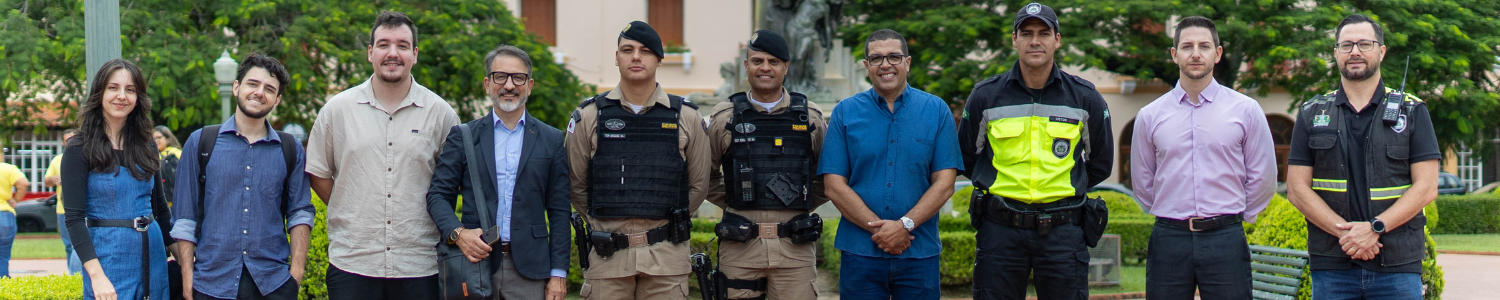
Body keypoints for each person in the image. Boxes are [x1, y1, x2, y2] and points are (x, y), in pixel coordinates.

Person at [957, 3, 1114, 299]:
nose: (1035, 41)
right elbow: (968, 158)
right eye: (1026, 33)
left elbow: (1100, 164)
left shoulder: (1085, 97)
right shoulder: (986, 95)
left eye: (1044, 33)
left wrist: (1062, 188)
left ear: (1057, 39)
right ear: (1014, 39)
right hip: (1000, 231)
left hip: (1063, 232)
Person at [304, 11, 460, 300]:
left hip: (420, 265)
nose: (393, 53)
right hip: (353, 262)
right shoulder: (337, 110)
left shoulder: (441, 114)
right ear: (370, 52)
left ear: (414, 54)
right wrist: (351, 205)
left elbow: (450, 184)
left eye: (402, 45)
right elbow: (318, 173)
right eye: (384, 44)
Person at [1285, 14, 1439, 300]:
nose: (1355, 51)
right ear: (1336, 54)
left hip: (1397, 265)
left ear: (1381, 51)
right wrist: (1348, 234)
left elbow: (1427, 187)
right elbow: (1296, 189)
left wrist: (1374, 229)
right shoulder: (1312, 112)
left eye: (1364, 44)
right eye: (1346, 45)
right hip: (1332, 265)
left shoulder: (1413, 111)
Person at [1130, 16, 1277, 300]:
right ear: (1175, 55)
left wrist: (1236, 216)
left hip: (1226, 239)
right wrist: (1171, 212)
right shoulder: (1150, 116)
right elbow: (1142, 180)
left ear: (1217, 53)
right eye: (1187, 46)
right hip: (1169, 240)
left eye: (1204, 46)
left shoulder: (1246, 110)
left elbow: (1264, 176)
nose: (1195, 53)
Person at [565, 20, 711, 300]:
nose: (635, 57)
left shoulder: (689, 118)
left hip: (667, 261)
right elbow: (576, 185)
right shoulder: (588, 116)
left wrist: (666, 225)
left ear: (658, 59)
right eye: (627, 50)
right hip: (608, 260)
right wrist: (605, 225)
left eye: (644, 51)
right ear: (616, 58)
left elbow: (699, 186)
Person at [819, 28, 962, 300]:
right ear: (866, 66)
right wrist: (883, 230)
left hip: (919, 254)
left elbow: (944, 184)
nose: (885, 65)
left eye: (894, 57)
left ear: (907, 62)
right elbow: (834, 186)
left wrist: (904, 226)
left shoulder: (936, 110)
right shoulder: (845, 112)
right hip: (860, 253)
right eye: (876, 58)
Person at [425, 45, 572, 300]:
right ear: (487, 83)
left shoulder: (551, 139)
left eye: (518, 77)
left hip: (530, 272)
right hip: (473, 264)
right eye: (500, 77)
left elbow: (559, 211)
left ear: (530, 85)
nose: (509, 85)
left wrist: (558, 274)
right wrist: (459, 235)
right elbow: (437, 195)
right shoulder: (464, 137)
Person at [169, 53, 315, 300]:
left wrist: (296, 275)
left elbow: (300, 212)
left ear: (277, 99)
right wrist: (187, 277)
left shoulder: (290, 149)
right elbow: (184, 217)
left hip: (273, 284)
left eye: (269, 89)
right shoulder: (201, 142)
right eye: (252, 84)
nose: (259, 92)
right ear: (237, 86)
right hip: (210, 284)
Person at [705, 29, 828, 300]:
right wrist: (737, 201)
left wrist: (800, 202)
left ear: (785, 67)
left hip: (795, 249)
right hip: (740, 248)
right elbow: (705, 176)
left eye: (773, 62)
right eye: (757, 61)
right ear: (746, 65)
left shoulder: (811, 119)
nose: (765, 68)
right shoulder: (723, 118)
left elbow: (826, 177)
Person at [62, 58, 176, 300]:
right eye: (113, 88)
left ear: (138, 98)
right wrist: (97, 276)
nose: (121, 96)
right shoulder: (78, 147)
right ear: (99, 93)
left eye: (130, 89)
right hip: (107, 259)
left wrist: (184, 261)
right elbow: (73, 220)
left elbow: (161, 210)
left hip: (153, 257)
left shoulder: (148, 145)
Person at [44, 129, 82, 275]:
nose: (71, 143)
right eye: (67, 140)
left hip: (81, 209)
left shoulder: (86, 156)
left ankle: (78, 275)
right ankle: (72, 275)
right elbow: (46, 181)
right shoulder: (57, 160)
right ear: (63, 142)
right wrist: (52, 179)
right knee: (69, 246)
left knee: (78, 245)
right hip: (62, 210)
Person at [0, 147, 30, 278]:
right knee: (3, 256)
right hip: (4, 215)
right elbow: (23, 183)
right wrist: (16, 199)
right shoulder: (7, 168)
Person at [154, 126, 182, 205]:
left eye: (158, 137)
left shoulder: (176, 153)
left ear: (168, 138)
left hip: (175, 201)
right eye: (153, 138)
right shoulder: (153, 156)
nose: (156, 141)